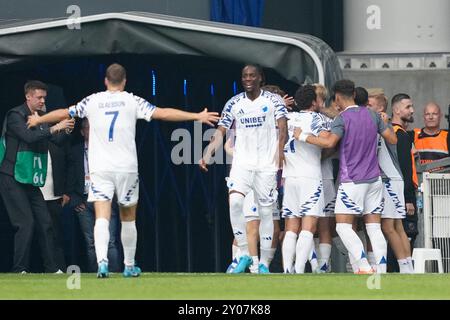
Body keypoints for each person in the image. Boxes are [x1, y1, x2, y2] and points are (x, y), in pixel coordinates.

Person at [27, 63, 219, 278]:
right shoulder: (132, 100)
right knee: (128, 217)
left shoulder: (93, 100)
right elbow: (163, 113)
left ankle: (102, 263)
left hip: (100, 168)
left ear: (105, 81)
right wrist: (196, 116)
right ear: (125, 81)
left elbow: (65, 112)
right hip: (126, 168)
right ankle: (128, 265)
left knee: (102, 216)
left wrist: (39, 119)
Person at [295, 79, 397, 274]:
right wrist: (384, 122)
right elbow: (392, 139)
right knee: (374, 227)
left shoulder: (342, 118)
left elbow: (329, 143)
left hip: (352, 180)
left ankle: (364, 266)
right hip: (374, 179)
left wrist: (302, 136)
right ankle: (381, 269)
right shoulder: (372, 115)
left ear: (339, 97)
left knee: (342, 226)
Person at [199, 63, 287, 274]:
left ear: (260, 78)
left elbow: (282, 127)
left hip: (266, 164)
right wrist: (208, 152)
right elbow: (222, 130)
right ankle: (246, 254)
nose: (247, 79)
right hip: (242, 163)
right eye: (244, 76)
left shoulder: (273, 100)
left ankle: (264, 262)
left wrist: (280, 151)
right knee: (235, 202)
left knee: (266, 212)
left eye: (251, 76)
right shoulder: (234, 103)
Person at [0, 80, 74, 273]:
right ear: (28, 96)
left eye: (44, 98)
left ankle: (52, 268)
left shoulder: (42, 118)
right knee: (25, 223)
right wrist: (53, 128)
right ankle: (19, 269)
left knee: (45, 222)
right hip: (12, 177)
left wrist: (66, 129)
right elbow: (29, 136)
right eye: (39, 97)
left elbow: (56, 140)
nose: (42, 101)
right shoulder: (16, 115)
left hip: (30, 178)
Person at [281, 84, 328, 273]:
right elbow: (327, 141)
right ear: (315, 102)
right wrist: (305, 137)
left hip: (290, 177)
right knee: (309, 225)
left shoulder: (286, 118)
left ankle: (287, 269)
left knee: (291, 227)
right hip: (310, 177)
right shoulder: (318, 119)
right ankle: (299, 270)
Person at [367, 92, 414, 273]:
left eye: (370, 105)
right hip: (393, 180)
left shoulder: (386, 126)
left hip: (390, 180)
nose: (366, 108)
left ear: (381, 108)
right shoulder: (380, 124)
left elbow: (404, 162)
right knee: (397, 226)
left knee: (388, 226)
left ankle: (404, 267)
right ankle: (408, 266)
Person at [67, 118, 121, 272]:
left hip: (105, 199)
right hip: (84, 201)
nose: (91, 131)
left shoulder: (108, 150)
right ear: (83, 132)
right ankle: (94, 275)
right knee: (91, 243)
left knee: (109, 241)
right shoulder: (75, 151)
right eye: (88, 128)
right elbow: (69, 177)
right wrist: (75, 200)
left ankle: (115, 275)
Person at [391, 93, 419, 249]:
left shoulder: (390, 132)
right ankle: (403, 269)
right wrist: (408, 198)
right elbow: (404, 168)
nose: (412, 110)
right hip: (403, 194)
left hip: (394, 192)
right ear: (396, 110)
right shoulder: (400, 135)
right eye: (408, 107)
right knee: (406, 235)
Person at [413, 102, 450, 166]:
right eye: (427, 114)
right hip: (419, 175)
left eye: (434, 114)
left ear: (440, 116)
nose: (431, 117)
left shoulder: (447, 137)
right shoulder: (413, 135)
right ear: (423, 116)